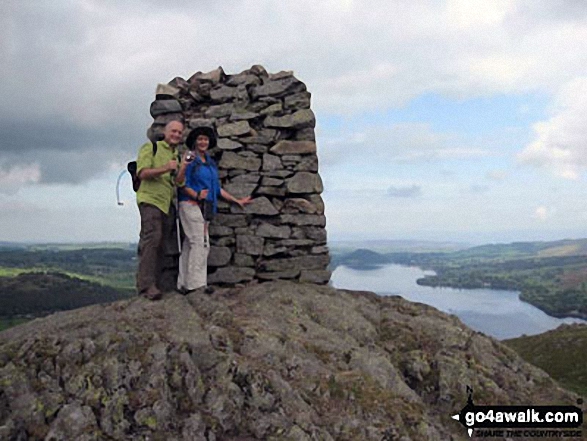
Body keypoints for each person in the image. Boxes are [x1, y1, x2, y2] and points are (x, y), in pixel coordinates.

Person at [176, 126, 252, 294]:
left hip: (206, 207)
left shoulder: (210, 163)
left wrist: (236, 200)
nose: (203, 142)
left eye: (206, 139)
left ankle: (184, 283)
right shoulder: (190, 159)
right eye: (200, 139)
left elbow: (216, 189)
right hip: (191, 204)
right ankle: (196, 285)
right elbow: (180, 182)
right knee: (200, 243)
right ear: (194, 141)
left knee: (191, 243)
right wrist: (195, 194)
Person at [135, 120, 184, 300]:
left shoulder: (176, 155)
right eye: (174, 131)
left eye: (179, 132)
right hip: (150, 200)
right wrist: (165, 168)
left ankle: (157, 284)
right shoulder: (151, 148)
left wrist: (183, 167)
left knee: (162, 243)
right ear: (165, 131)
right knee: (152, 239)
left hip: (166, 203)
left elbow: (178, 182)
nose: (176, 135)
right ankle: (146, 286)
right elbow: (142, 173)